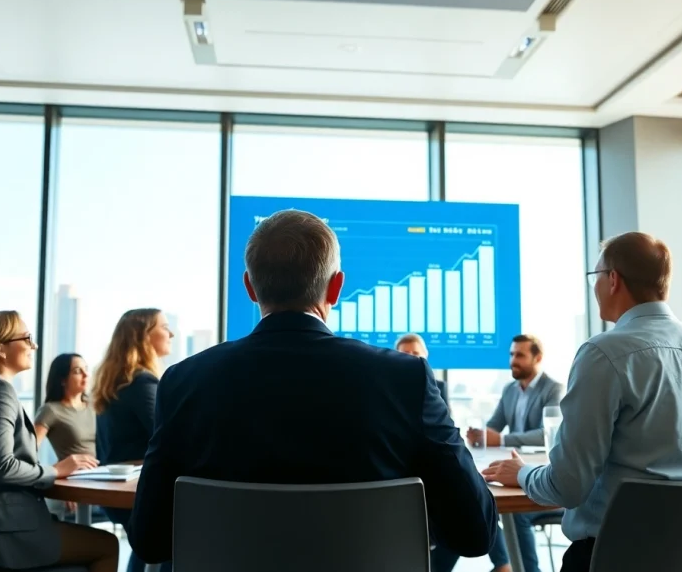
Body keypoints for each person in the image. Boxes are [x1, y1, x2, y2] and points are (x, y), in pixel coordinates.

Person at [128, 209, 497, 565]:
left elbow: (150, 539)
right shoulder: (405, 378)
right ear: (336, 287)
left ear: (249, 287)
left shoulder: (183, 382)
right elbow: (475, 533)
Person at [483, 232, 682, 572]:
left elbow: (567, 487)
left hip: (616, 558)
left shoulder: (603, 355)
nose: (593, 287)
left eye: (595, 277)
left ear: (612, 280)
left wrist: (522, 474)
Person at [0, 311, 119, 572]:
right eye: (27, 338)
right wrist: (55, 470)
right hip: (6, 532)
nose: (33, 345)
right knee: (107, 545)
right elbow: (1, 466)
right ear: (1, 349)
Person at [437, 334, 564, 572]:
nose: (513, 360)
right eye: (511, 354)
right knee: (479, 501)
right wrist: (480, 435)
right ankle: (502, 564)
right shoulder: (510, 390)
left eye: (520, 355)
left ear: (537, 357)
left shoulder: (553, 389)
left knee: (514, 515)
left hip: (544, 476)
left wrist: (502, 438)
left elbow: (547, 434)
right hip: (515, 473)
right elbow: (494, 425)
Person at [92, 308, 173, 572]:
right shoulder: (142, 382)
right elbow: (166, 434)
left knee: (145, 545)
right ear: (144, 337)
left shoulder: (116, 381)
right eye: (164, 327)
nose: (170, 333)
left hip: (115, 492)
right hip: (139, 492)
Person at [35, 353, 96, 518]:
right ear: (62, 379)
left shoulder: (94, 405)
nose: (85, 375)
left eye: (86, 370)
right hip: (74, 481)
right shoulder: (50, 410)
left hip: (101, 476)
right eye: (77, 371)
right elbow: (28, 450)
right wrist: (62, 476)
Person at [395, 333, 448, 406]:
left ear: (425, 355)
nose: (411, 357)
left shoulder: (439, 387)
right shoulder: (386, 386)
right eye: (405, 353)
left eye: (416, 353)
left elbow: (445, 416)